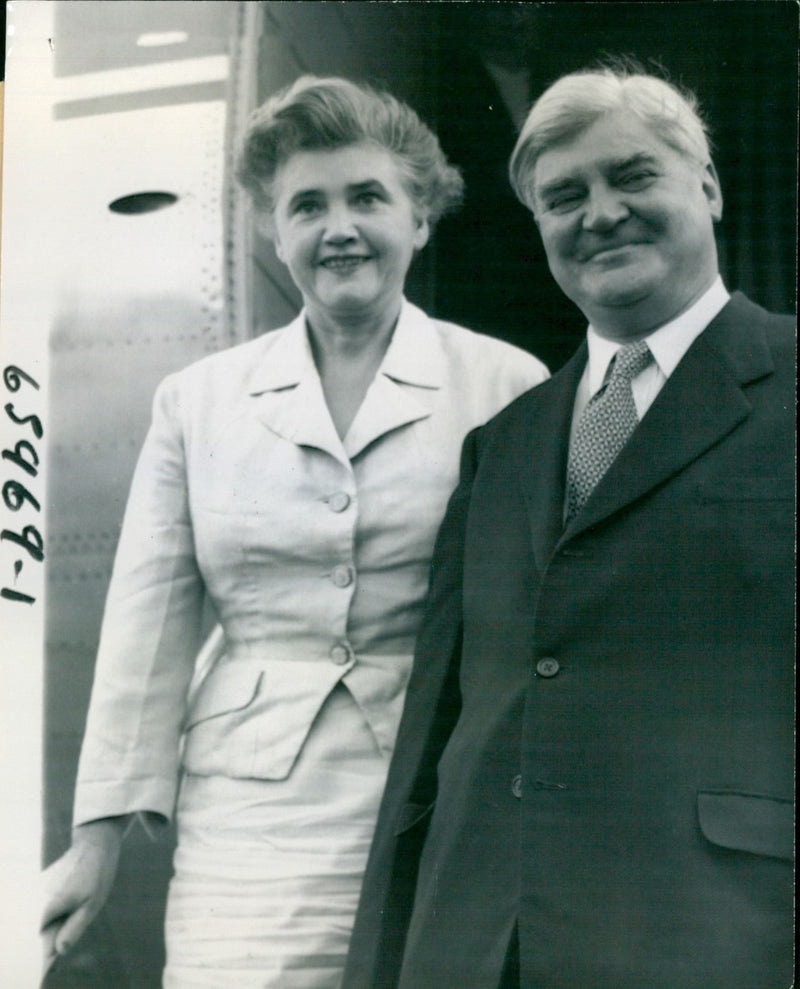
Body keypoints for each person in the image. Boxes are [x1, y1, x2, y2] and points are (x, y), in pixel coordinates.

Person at [40, 76, 548, 987]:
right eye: (306, 205)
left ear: (421, 217)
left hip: (431, 796)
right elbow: (147, 626)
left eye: (368, 197)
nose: (338, 227)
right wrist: (94, 844)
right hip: (245, 821)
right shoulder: (196, 402)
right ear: (275, 232)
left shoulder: (508, 385)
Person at [343, 64, 795, 989]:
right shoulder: (501, 445)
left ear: (707, 186)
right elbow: (435, 736)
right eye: (564, 196)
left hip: (715, 935)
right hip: (479, 941)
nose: (600, 213)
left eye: (633, 177)